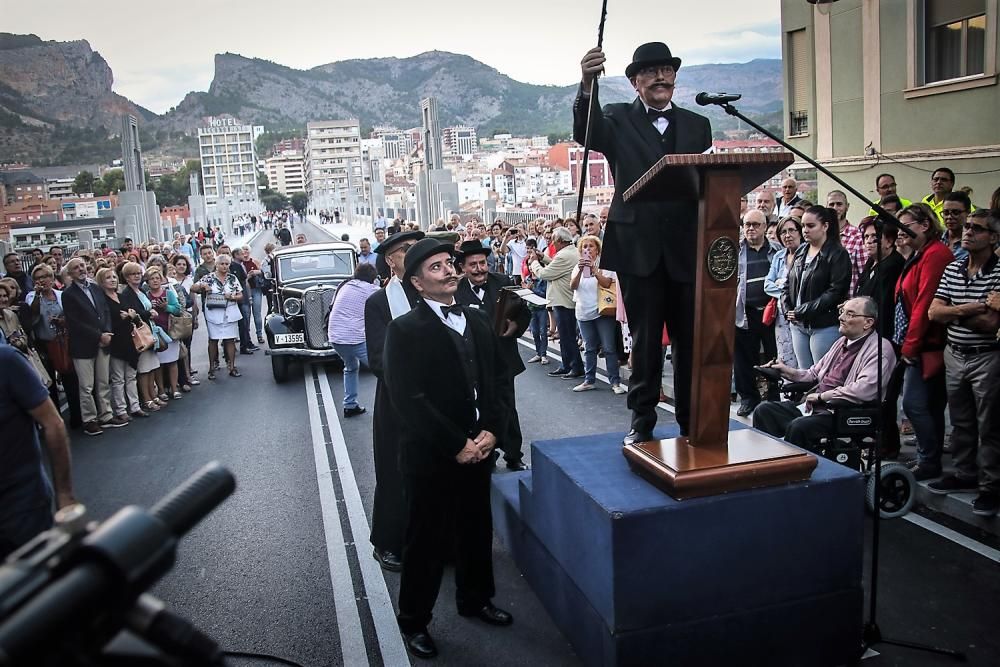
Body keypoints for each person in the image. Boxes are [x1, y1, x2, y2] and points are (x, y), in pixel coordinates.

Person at [576, 41, 712, 444]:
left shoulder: (697, 125)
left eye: (666, 70)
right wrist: (587, 83)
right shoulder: (615, 118)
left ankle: (692, 424)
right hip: (638, 249)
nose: (660, 77)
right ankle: (642, 422)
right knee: (646, 342)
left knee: (689, 343)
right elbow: (586, 130)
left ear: (674, 78)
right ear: (635, 82)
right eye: (650, 71)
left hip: (686, 248)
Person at [383, 238, 512, 659]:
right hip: (432, 457)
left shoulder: (476, 320)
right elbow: (408, 400)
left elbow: (495, 381)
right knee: (426, 541)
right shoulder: (404, 331)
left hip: (479, 448)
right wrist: (456, 444)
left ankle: (475, 599)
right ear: (418, 283)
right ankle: (414, 621)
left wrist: (492, 431)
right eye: (437, 267)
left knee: (476, 529)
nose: (450, 271)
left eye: (449, 264)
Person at [927, 210, 1000, 516]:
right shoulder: (954, 268)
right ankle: (964, 473)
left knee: (990, 425)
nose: (968, 232)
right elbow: (934, 313)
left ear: (993, 238)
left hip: (987, 357)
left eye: (977, 229)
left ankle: (991, 487)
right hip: (954, 353)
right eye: (967, 227)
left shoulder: (999, 272)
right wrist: (971, 307)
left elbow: (990, 323)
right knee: (960, 421)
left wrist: (953, 312)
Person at [752, 296, 896, 449]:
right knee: (764, 411)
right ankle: (771, 466)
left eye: (850, 314)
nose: (841, 317)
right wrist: (785, 371)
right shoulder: (841, 342)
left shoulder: (880, 350)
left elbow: (863, 390)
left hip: (840, 412)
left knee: (799, 427)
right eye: (842, 312)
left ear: (868, 322)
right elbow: (813, 374)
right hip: (814, 407)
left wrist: (823, 397)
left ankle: (796, 470)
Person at [363, 230, 425, 573]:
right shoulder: (379, 303)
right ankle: (388, 542)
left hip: (439, 399)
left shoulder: (433, 292)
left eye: (418, 247)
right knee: (395, 472)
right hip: (399, 402)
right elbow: (378, 357)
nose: (414, 253)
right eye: (406, 249)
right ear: (390, 260)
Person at [455, 240, 531, 470]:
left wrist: (515, 326)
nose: (479, 269)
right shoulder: (455, 291)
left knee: (507, 406)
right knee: (478, 408)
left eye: (482, 263)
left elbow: (523, 312)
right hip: (473, 363)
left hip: (503, 359)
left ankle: (513, 454)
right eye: (473, 265)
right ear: (463, 268)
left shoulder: (504, 283)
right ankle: (485, 453)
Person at [893, 203, 954, 480]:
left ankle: (929, 458)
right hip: (920, 341)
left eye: (907, 226)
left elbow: (924, 303)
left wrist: (910, 345)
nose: (901, 233)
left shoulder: (935, 255)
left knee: (915, 404)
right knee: (926, 405)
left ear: (925, 225)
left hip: (927, 343)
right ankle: (928, 457)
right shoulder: (920, 254)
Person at [0, 346, 75, 559]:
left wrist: (65, 495)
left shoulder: (7, 360)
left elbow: (53, 424)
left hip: (21, 505)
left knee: (39, 578)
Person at [783, 206, 852, 368]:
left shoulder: (838, 253)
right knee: (804, 373)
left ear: (825, 226)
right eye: (803, 226)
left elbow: (836, 291)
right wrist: (787, 308)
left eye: (810, 226)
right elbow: (787, 283)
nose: (805, 230)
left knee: (823, 374)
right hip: (798, 324)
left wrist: (804, 310)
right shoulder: (801, 251)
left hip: (824, 325)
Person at [62, 257, 119, 435]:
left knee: (103, 381)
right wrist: (98, 335)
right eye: (76, 268)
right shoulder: (68, 294)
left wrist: (108, 332)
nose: (81, 269)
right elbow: (75, 322)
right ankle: (89, 420)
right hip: (83, 346)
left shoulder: (95, 287)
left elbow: (105, 311)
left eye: (82, 266)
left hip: (104, 341)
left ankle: (106, 415)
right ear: (70, 274)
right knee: (86, 386)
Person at [735, 210, 781, 416]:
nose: (751, 228)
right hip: (746, 312)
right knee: (744, 358)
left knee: (775, 356)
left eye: (755, 224)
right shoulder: (735, 250)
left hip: (773, 313)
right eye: (747, 224)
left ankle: (774, 398)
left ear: (764, 226)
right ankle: (748, 399)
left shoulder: (777, 250)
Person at [569, 234, 624, 394]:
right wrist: (580, 271)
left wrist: (595, 270)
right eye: (584, 247)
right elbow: (573, 286)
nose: (587, 249)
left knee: (608, 348)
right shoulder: (576, 267)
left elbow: (607, 283)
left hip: (602, 312)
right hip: (583, 312)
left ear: (598, 250)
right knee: (589, 348)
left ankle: (615, 382)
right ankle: (589, 380)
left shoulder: (605, 266)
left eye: (591, 246)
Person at [529, 227, 584, 380]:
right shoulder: (570, 252)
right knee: (566, 336)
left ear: (560, 241)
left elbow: (545, 274)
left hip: (564, 301)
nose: (552, 243)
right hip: (565, 299)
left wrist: (534, 263)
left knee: (567, 336)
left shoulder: (564, 255)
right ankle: (567, 365)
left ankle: (575, 366)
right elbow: (557, 266)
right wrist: (544, 258)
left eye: (554, 240)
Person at [328, 263, 380, 418]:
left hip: (335, 337)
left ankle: (350, 405)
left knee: (351, 367)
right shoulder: (370, 289)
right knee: (383, 369)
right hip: (354, 338)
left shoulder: (344, 285)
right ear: (372, 278)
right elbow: (386, 297)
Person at [191, 253, 244, 380]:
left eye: (227, 264)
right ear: (216, 264)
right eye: (222, 264)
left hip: (230, 312)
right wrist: (202, 286)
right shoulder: (209, 277)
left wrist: (232, 296)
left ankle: (231, 367)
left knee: (230, 339)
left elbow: (241, 295)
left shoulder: (232, 278)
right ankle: (212, 368)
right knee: (213, 339)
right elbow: (192, 288)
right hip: (214, 312)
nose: (224, 266)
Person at [764, 215, 803, 368]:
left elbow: (802, 286)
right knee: (785, 358)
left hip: (800, 312)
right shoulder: (779, 256)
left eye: (792, 230)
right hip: (781, 314)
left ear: (800, 232)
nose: (787, 235)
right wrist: (786, 290)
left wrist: (781, 284)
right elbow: (767, 284)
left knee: (803, 361)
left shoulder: (806, 254)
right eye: (783, 232)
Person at [145, 267, 182, 400]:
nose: (155, 281)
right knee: (158, 364)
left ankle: (174, 388)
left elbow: (178, 310)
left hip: (170, 330)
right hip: (155, 333)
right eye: (152, 279)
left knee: (172, 361)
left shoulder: (168, 293)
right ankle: (161, 390)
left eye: (157, 278)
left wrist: (166, 307)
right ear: (147, 282)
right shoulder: (146, 295)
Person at [941, 191, 972, 262]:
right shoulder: (936, 238)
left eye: (955, 212)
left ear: (968, 213)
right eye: (946, 213)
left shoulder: (973, 243)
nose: (949, 217)